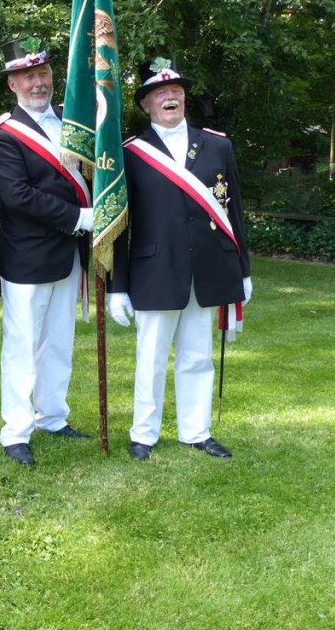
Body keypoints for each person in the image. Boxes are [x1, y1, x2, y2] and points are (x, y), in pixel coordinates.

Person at [107, 58, 251, 461]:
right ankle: (143, 434)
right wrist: (117, 286)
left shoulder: (217, 145)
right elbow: (120, 225)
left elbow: (234, 212)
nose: (170, 97)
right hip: (154, 270)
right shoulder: (130, 154)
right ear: (145, 104)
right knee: (151, 357)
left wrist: (243, 269)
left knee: (198, 355)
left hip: (207, 268)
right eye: (160, 93)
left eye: (176, 91)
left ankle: (196, 431)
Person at [0, 38, 94, 466]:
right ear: (12, 84)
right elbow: (18, 196)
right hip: (27, 258)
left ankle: (52, 416)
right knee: (22, 346)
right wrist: (79, 217)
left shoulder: (71, 120)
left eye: (43, 73)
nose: (38, 83)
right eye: (27, 76)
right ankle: (15, 431)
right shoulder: (1, 134)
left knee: (59, 342)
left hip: (69, 254)